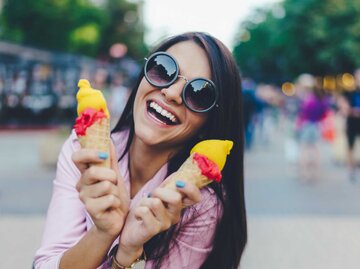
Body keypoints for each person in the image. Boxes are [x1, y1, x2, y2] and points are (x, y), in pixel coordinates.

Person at [34, 32, 247, 269]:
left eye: (199, 94)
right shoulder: (82, 151)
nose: (172, 93)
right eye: (163, 69)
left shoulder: (199, 204)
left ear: (210, 122)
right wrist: (103, 233)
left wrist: (128, 252)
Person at [295, 81, 330, 183]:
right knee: (316, 149)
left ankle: (305, 174)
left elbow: (302, 114)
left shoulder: (308, 101)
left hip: (307, 125)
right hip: (317, 125)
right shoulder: (323, 102)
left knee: (304, 149)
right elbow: (324, 115)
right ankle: (315, 173)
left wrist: (298, 125)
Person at [337, 69, 360, 182]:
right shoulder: (349, 92)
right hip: (352, 123)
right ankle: (351, 169)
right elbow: (343, 107)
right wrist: (351, 111)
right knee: (350, 147)